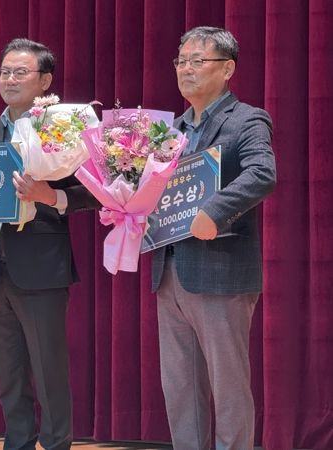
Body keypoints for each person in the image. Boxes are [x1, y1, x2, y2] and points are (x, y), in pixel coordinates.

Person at [152, 27, 277, 450]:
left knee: (228, 387)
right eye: (181, 61)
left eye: (197, 61)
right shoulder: (169, 130)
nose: (186, 69)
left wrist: (214, 211)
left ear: (227, 69)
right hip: (169, 270)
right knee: (179, 386)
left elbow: (262, 173)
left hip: (220, 271)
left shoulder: (247, 119)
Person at [0, 38, 99, 450]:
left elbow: (95, 192)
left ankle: (57, 443)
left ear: (45, 81)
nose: (9, 79)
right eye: (4, 72)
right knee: (9, 372)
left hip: (42, 267)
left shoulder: (64, 127)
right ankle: (18, 442)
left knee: (48, 370)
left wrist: (50, 196)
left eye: (20, 72)